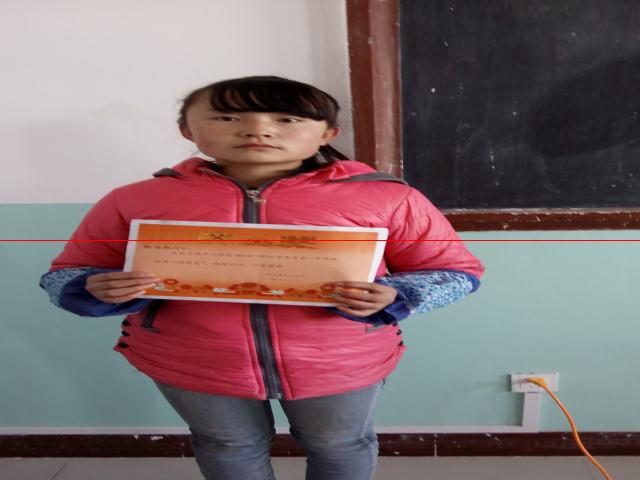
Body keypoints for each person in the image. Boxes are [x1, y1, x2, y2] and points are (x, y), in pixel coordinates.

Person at [40, 75, 484, 480]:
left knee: (340, 445)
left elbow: (455, 272)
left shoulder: (388, 197)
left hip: (338, 359)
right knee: (226, 445)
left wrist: (395, 295)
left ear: (327, 133)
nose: (257, 130)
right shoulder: (134, 199)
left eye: (286, 119)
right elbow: (66, 274)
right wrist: (93, 288)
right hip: (193, 358)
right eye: (227, 117)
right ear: (187, 130)